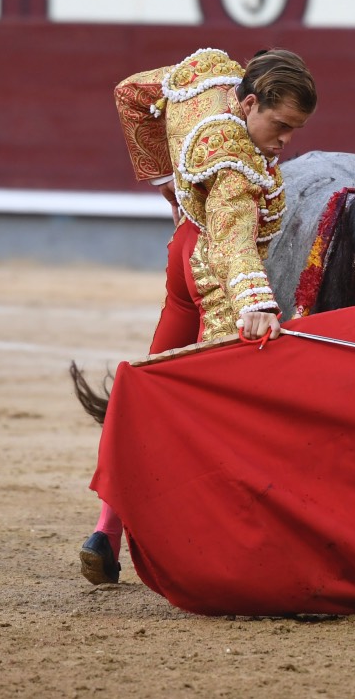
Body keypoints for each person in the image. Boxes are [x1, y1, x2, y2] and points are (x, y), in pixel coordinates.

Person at [79, 46, 317, 585]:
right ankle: (212, 547)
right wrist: (255, 300)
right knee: (214, 414)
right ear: (250, 101)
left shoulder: (206, 79)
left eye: (293, 131)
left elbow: (131, 95)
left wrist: (166, 178)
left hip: (181, 254)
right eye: (279, 126)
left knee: (147, 390)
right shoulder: (234, 155)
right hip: (213, 278)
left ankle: (105, 531)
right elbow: (233, 238)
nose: (284, 142)